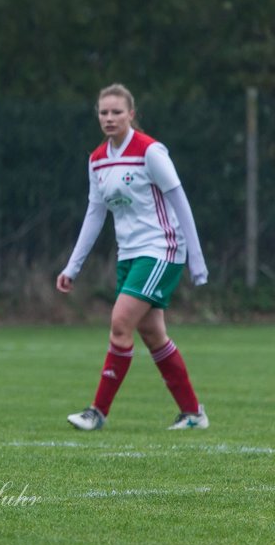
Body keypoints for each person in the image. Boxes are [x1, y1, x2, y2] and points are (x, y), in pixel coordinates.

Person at [56, 83, 209, 432]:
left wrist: (196, 260)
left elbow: (179, 202)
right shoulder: (96, 160)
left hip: (162, 249)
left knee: (120, 322)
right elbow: (94, 215)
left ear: (131, 115)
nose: (109, 118)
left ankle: (97, 412)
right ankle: (192, 414)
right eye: (103, 112)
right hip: (130, 255)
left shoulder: (150, 151)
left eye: (116, 112)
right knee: (153, 334)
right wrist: (72, 266)